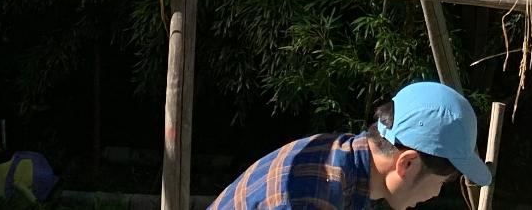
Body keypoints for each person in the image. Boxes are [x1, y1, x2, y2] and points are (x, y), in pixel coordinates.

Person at [208, 82, 493, 210]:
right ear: (406, 163)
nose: (434, 195)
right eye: (441, 184)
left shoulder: (348, 167)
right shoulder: (310, 194)